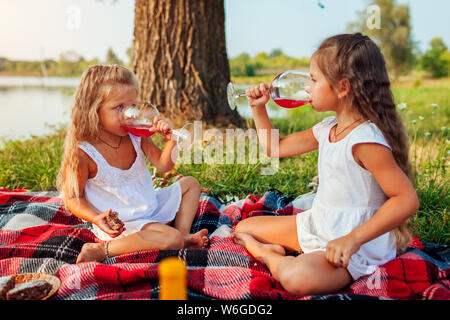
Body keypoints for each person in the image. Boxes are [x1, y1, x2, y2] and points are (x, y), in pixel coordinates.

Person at [232, 33, 419, 295]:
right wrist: (258, 109)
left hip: (353, 245)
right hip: (321, 226)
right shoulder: (328, 128)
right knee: (244, 228)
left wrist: (352, 239)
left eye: (313, 79)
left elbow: (406, 199)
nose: (307, 86)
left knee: (298, 278)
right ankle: (279, 252)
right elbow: (275, 148)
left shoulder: (365, 140)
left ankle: (268, 256)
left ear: (342, 88)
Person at [56, 64, 208, 264]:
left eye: (131, 106)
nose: (128, 114)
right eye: (119, 107)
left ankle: (182, 234)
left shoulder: (135, 135)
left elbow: (164, 165)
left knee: (191, 184)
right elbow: (73, 198)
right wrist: (95, 218)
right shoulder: (84, 152)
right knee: (169, 238)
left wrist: (172, 140)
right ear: (93, 110)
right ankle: (101, 250)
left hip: (150, 207)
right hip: (122, 224)